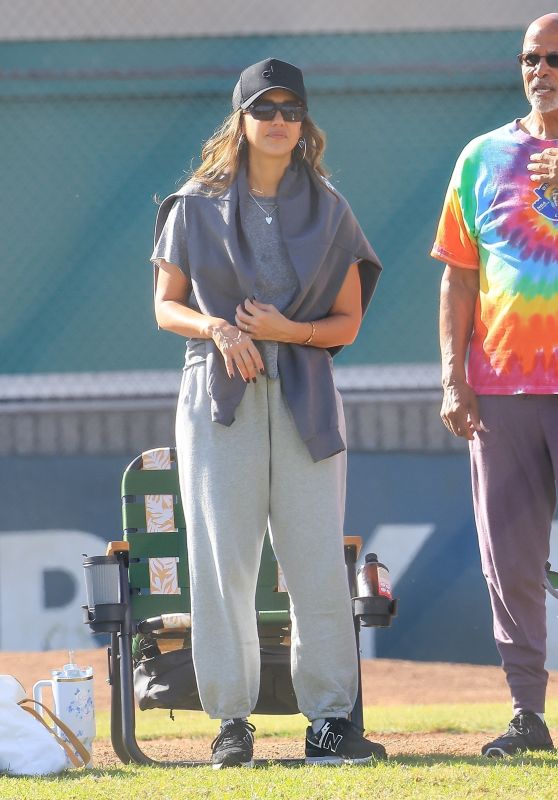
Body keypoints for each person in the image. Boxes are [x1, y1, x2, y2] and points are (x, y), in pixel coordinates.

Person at [150, 58, 386, 768]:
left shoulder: (331, 207)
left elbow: (345, 322)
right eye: (264, 109)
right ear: (242, 120)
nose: (279, 120)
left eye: (290, 110)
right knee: (222, 561)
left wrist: (289, 332)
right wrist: (219, 329)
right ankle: (230, 721)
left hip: (305, 391)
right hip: (219, 395)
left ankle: (330, 722)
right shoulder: (193, 203)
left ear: (303, 123)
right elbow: (165, 307)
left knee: (315, 560)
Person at [432, 14, 558, 758]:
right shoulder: (482, 156)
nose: (541, 70)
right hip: (502, 389)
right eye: (530, 58)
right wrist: (453, 377)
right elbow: (459, 275)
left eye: (555, 58)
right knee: (508, 560)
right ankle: (527, 714)